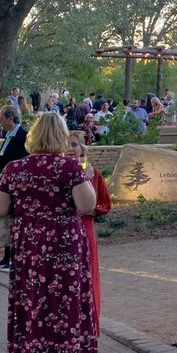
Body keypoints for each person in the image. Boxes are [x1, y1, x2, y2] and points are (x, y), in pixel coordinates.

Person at [0, 112, 98, 353]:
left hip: (29, 246)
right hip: (64, 245)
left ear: (33, 136)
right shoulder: (69, 168)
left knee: (32, 303)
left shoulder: (14, 168)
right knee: (62, 305)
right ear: (60, 136)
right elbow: (87, 206)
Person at [66, 131, 110, 330]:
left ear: (82, 148)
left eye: (74, 145)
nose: (70, 149)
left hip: (85, 227)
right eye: (66, 145)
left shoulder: (94, 173)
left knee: (88, 274)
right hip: (65, 230)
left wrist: (93, 210)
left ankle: (90, 324)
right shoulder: (58, 173)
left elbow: (105, 203)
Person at [0, 106, 29, 271]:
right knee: (6, 221)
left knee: (12, 220)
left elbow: (20, 160)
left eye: (1, 119)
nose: (0, 123)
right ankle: (6, 257)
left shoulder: (22, 136)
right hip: (3, 182)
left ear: (10, 118)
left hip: (14, 184)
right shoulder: (9, 136)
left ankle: (12, 258)